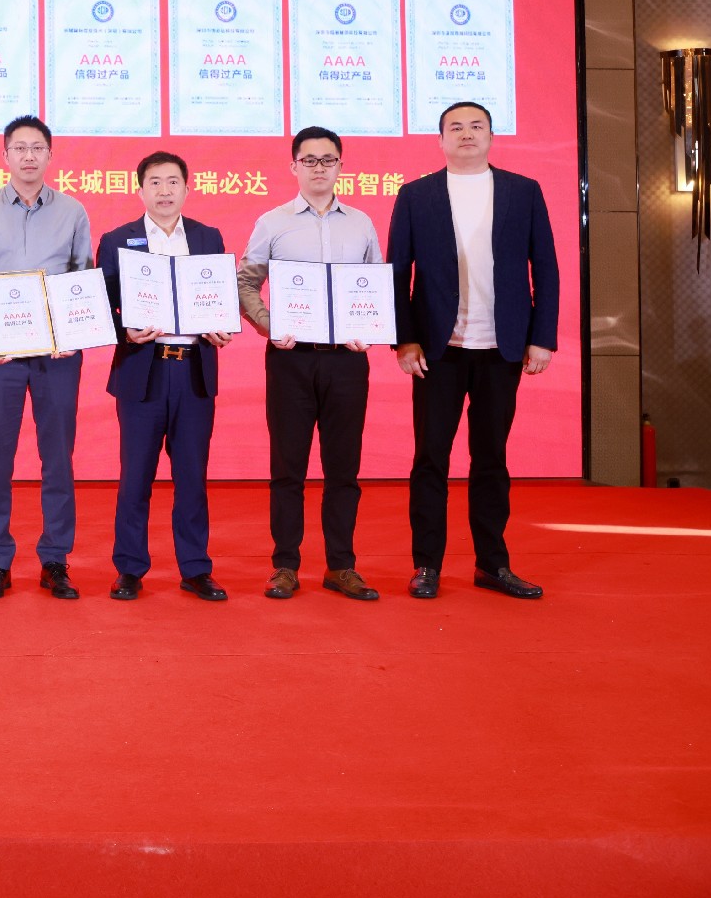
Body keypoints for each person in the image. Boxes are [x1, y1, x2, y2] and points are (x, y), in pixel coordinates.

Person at [389, 101, 560, 600]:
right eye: (456, 127)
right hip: (437, 350)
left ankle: (492, 564)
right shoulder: (416, 194)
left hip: (501, 347)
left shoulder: (523, 191)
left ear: (491, 136)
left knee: (491, 459)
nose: (467, 134)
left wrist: (541, 337)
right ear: (440, 139)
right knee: (430, 459)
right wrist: (405, 339)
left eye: (476, 126)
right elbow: (398, 272)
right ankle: (427, 565)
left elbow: (545, 267)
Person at [237, 126, 385, 602]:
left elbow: (375, 288)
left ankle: (341, 566)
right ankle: (285, 565)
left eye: (328, 159)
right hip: (291, 360)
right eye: (309, 160)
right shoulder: (272, 222)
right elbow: (245, 282)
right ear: (294, 166)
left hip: (347, 361)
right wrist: (269, 325)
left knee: (343, 469)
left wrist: (371, 327)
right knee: (288, 468)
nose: (319, 167)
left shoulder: (361, 223)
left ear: (341, 165)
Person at [0, 115, 93, 601]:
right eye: (20, 148)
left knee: (58, 458)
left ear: (50, 155)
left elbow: (82, 277)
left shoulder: (73, 211)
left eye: (37, 148)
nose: (29, 156)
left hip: (58, 355)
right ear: (5, 156)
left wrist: (76, 331)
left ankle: (55, 559)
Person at [97, 152, 233, 602]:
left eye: (173, 182)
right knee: (135, 476)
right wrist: (125, 331)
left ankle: (195, 568)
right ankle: (129, 568)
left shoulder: (208, 237)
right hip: (143, 370)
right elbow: (103, 305)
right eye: (154, 182)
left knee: (192, 476)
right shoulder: (118, 239)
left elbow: (220, 297)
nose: (164, 191)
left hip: (193, 370)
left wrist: (223, 327)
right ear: (140, 190)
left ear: (187, 188)